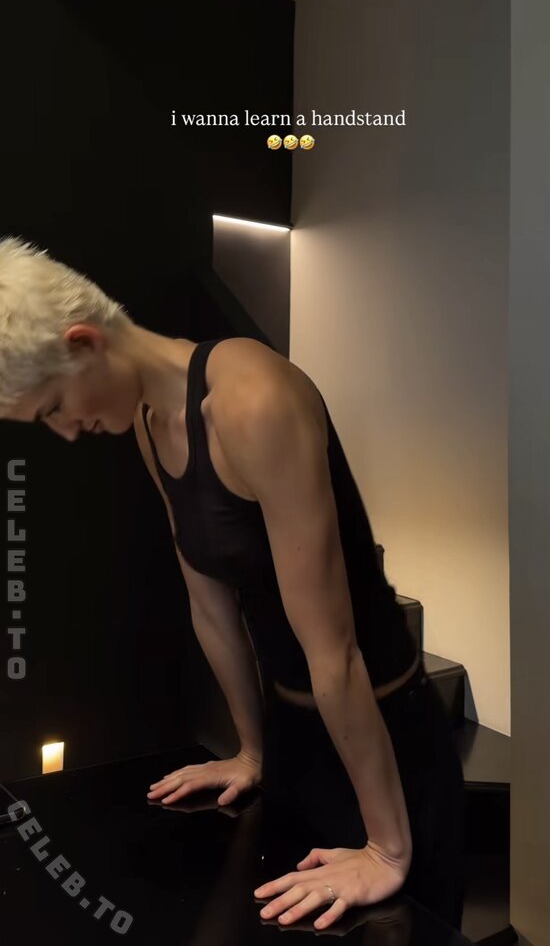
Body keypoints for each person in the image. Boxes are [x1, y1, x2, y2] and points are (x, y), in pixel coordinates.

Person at [0, 236, 465, 932]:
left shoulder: (253, 400)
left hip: (387, 749)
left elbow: (334, 650)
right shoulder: (151, 424)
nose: (66, 432)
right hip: (298, 739)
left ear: (84, 343)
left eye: (53, 407)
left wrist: (386, 848)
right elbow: (210, 604)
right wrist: (252, 750)